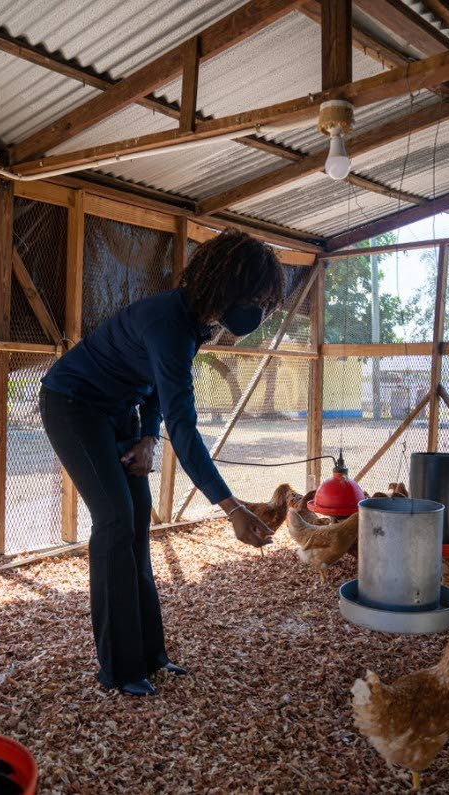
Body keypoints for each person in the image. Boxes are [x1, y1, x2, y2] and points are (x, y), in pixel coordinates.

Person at [39, 229, 285, 696]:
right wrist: (232, 508)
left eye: (262, 302)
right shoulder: (169, 322)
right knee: (114, 520)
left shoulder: (194, 323)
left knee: (136, 525)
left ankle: (151, 656)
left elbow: (155, 387)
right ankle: (118, 669)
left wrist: (148, 436)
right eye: (253, 298)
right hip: (72, 405)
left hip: (119, 411)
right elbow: (185, 430)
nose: (257, 310)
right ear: (225, 287)